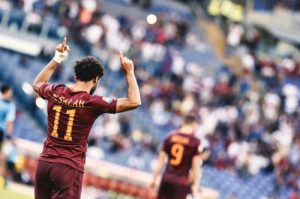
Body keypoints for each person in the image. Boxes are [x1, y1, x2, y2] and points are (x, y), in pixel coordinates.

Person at [32, 38, 141, 199]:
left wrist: (57, 58)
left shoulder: (56, 91)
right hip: (68, 168)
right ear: (96, 79)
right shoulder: (92, 102)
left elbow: (38, 83)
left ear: (76, 75)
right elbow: (134, 101)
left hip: (44, 164)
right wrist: (130, 72)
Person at [151, 114, 202, 199]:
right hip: (181, 182)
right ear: (194, 124)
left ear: (182, 122)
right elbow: (195, 168)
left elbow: (160, 161)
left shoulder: (170, 137)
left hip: (166, 179)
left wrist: (154, 178)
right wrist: (194, 187)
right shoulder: (195, 142)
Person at [0, 84, 16, 150]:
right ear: (6, 92)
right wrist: (8, 137)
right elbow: (9, 122)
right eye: (10, 92)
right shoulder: (10, 105)